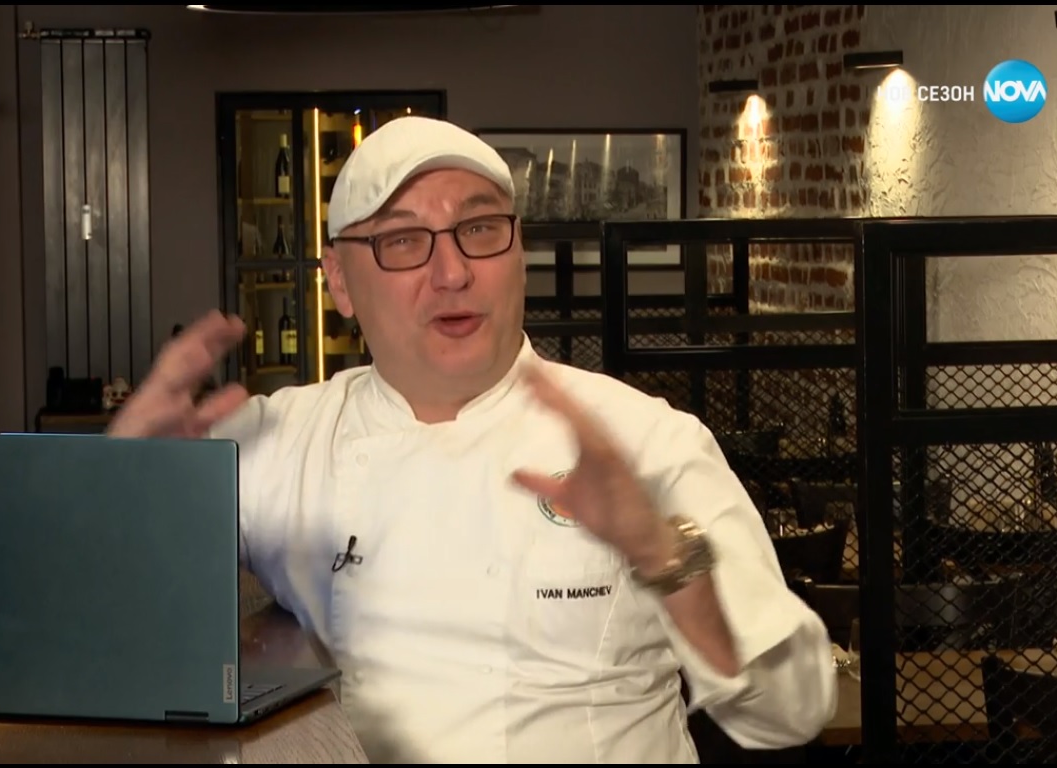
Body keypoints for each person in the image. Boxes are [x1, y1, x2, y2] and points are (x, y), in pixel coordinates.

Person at [108, 116, 836, 763]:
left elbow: (794, 711)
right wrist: (113, 479)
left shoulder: (645, 440)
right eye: (402, 241)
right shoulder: (278, 442)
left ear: (518, 252)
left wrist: (663, 555)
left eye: (480, 230)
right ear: (339, 282)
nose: (452, 273)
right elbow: (93, 623)